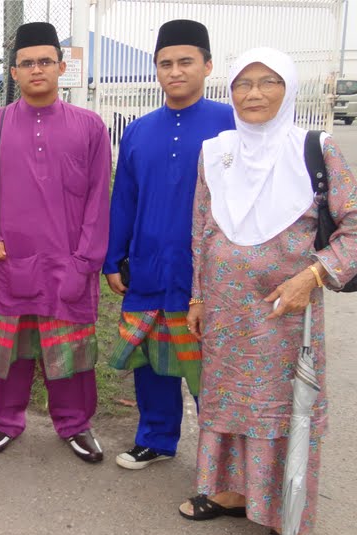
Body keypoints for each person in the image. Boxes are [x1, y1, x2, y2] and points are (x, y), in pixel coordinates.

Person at [178, 47, 357, 535]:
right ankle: (232, 493)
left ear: (289, 89)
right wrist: (199, 295)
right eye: (243, 84)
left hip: (285, 313)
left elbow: (353, 226)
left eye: (268, 82)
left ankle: (287, 516)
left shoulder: (315, 148)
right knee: (227, 403)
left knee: (284, 410)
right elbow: (202, 229)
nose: (254, 94)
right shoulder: (217, 152)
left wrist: (313, 276)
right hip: (226, 313)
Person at [0, 22, 110, 462]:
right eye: (27, 63)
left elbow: (98, 198)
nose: (36, 69)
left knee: (69, 351)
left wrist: (85, 260)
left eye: (45, 61)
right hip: (7, 259)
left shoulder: (89, 126)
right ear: (13, 72)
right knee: (7, 352)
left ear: (61, 67)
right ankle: (3, 422)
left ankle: (75, 424)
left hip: (66, 260)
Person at [102, 20, 235, 470]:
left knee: (207, 363)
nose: (175, 72)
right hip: (148, 264)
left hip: (207, 270)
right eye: (165, 63)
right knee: (152, 355)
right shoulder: (139, 130)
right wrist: (113, 257)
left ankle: (221, 461)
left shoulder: (231, 124)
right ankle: (156, 438)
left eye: (185, 62)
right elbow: (124, 198)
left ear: (207, 66)